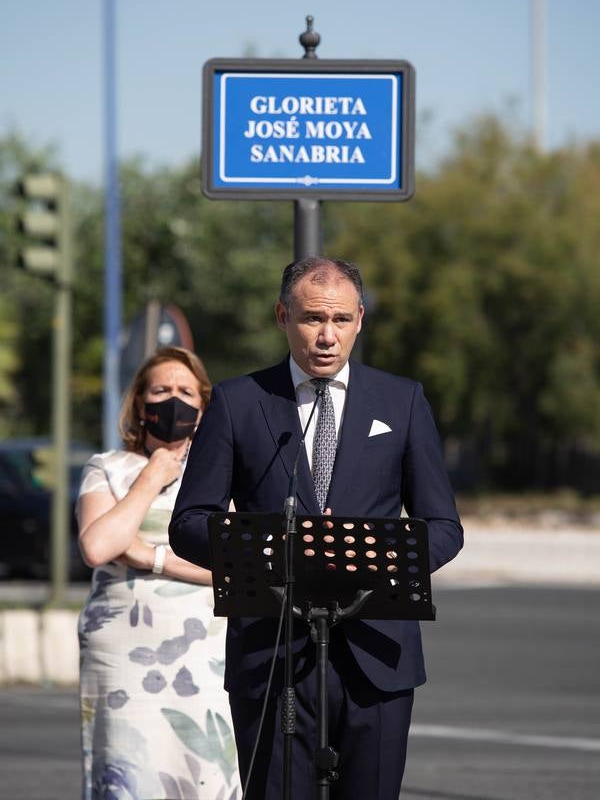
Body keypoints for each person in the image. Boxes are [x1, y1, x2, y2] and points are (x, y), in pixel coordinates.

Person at [169, 258, 463, 800]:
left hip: (378, 656)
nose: (327, 336)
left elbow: (443, 526)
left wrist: (377, 558)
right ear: (283, 316)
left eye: (341, 320)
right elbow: (189, 524)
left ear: (360, 321)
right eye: (311, 319)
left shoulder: (403, 401)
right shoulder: (238, 402)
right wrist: (270, 550)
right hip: (272, 654)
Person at [76, 346, 241, 800]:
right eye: (161, 390)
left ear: (204, 407)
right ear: (140, 404)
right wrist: (152, 476)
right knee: (131, 777)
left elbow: (236, 570)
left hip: (206, 651)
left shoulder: (223, 478)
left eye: (186, 391)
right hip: (124, 657)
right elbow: (97, 546)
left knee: (206, 771)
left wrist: (148, 555)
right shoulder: (108, 468)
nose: (174, 400)